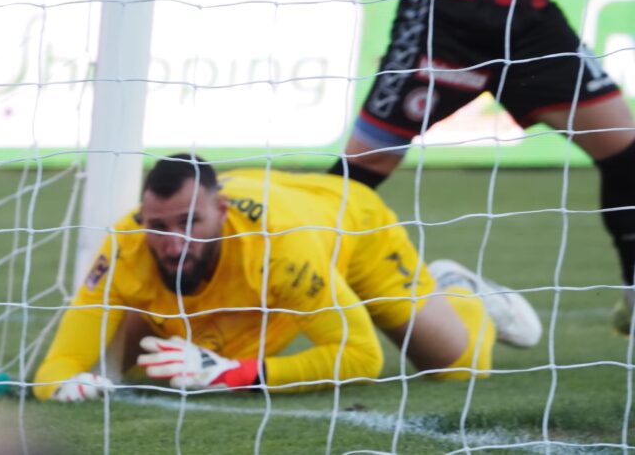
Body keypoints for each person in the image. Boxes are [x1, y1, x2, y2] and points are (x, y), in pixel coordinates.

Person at [33, 154, 541, 402]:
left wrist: (237, 374)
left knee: (458, 367)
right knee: (118, 366)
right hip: (256, 279)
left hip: (352, 229)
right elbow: (59, 365)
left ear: (222, 211)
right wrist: (62, 386)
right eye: (158, 227)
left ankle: (456, 290)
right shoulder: (125, 247)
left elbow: (362, 358)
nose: (173, 243)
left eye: (191, 222)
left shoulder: (281, 248)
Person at [328, 0, 635, 332]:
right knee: (357, 174)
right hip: (444, 16)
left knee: (625, 154)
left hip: (531, 20)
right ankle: (288, 284)